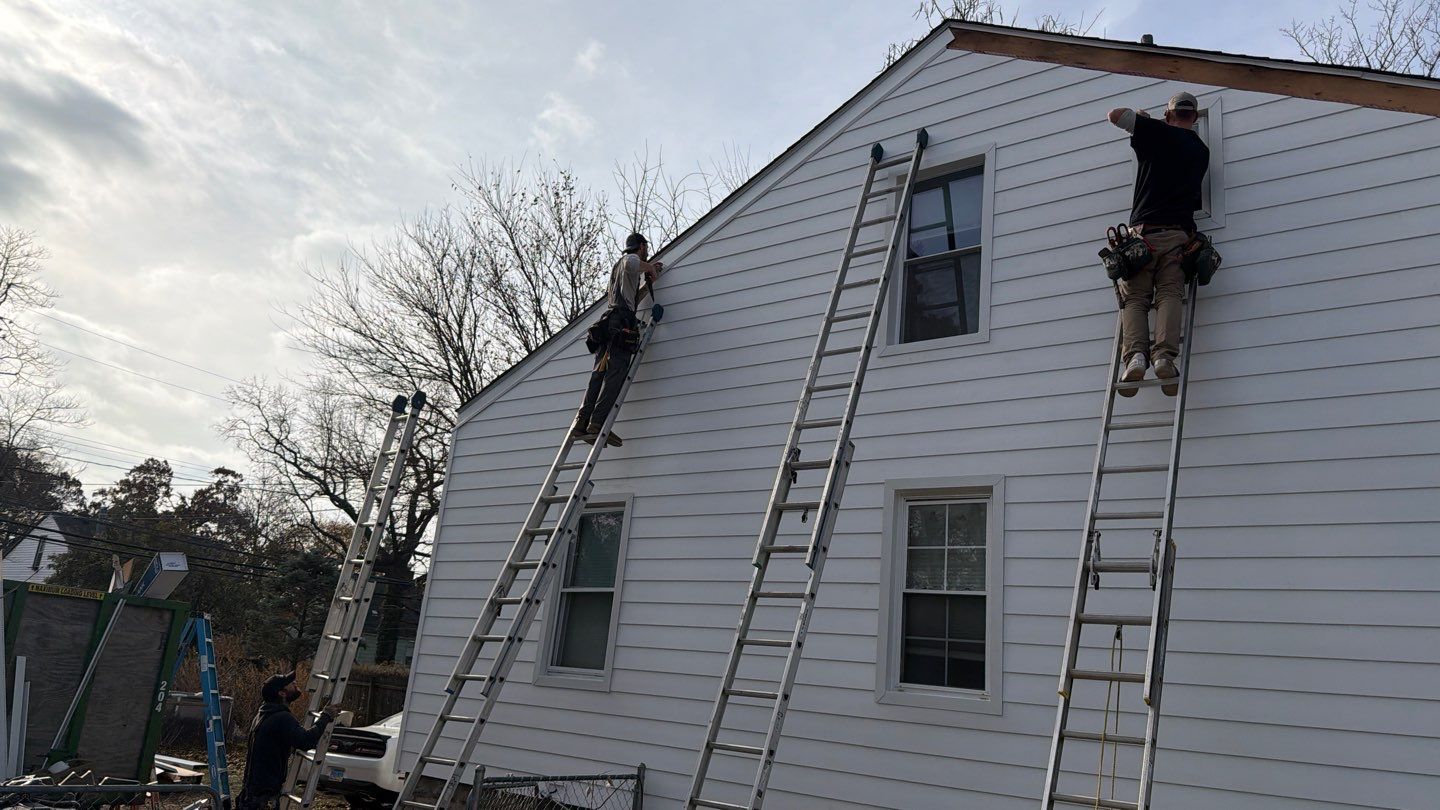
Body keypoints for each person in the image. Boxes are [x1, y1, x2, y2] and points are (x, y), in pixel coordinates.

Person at [1107, 91, 1210, 396]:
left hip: (1145, 236)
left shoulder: (1155, 133)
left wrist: (1143, 121)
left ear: (1169, 114)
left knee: (1135, 298)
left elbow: (1115, 114)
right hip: (1179, 236)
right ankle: (1164, 356)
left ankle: (1136, 356)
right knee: (1169, 294)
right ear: (1193, 116)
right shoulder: (1200, 151)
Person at [573, 232, 661, 446]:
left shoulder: (619, 271)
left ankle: (581, 423)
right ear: (641, 246)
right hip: (620, 325)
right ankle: (598, 424)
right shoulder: (629, 260)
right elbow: (633, 263)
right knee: (616, 375)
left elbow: (631, 300)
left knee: (599, 373)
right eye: (645, 250)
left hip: (610, 323)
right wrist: (650, 268)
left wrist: (649, 279)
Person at [235, 672, 340, 810]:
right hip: (263, 797)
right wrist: (326, 716)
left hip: (252, 793)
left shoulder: (263, 714)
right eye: (290, 683)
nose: (295, 683)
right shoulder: (282, 718)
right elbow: (306, 741)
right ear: (282, 693)